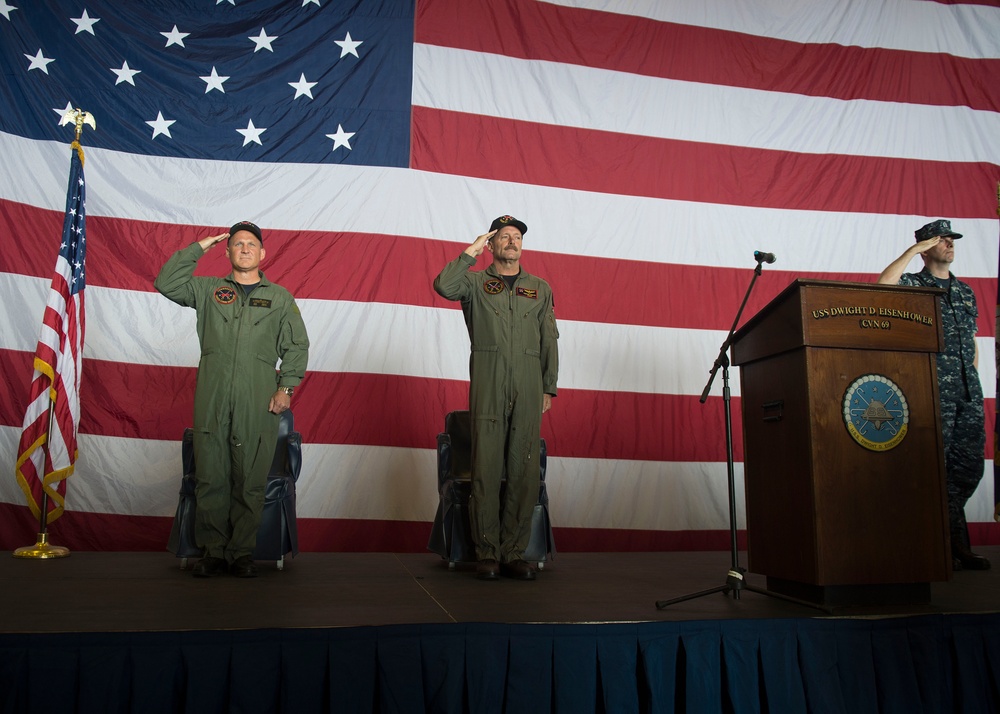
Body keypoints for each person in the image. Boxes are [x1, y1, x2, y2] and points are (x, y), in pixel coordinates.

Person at [155, 221, 310, 578]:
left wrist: (285, 389)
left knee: (250, 478)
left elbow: (297, 346)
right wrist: (199, 247)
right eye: (237, 244)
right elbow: (166, 283)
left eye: (251, 244)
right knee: (211, 475)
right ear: (227, 252)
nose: (244, 248)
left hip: (258, 397)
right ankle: (212, 551)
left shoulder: (280, 297)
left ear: (262, 253)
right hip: (212, 394)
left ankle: (241, 552)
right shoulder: (208, 290)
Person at [434, 215, 559, 581]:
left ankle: (514, 552)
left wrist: (548, 386)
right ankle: (487, 551)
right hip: (489, 381)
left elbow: (548, 338)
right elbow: (443, 285)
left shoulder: (539, 287)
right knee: (486, 469)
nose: (511, 241)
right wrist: (470, 252)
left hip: (529, 382)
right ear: (492, 245)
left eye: (516, 236)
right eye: (503, 236)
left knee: (522, 470)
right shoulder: (474, 283)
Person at [877, 219, 989, 570]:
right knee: (930, 469)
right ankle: (943, 546)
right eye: (941, 240)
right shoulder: (913, 284)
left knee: (967, 469)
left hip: (968, 392)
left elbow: (970, 341)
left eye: (951, 239)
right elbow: (883, 286)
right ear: (927, 248)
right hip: (932, 389)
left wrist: (971, 368)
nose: (949, 244)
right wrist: (912, 252)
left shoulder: (966, 291)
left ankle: (951, 540)